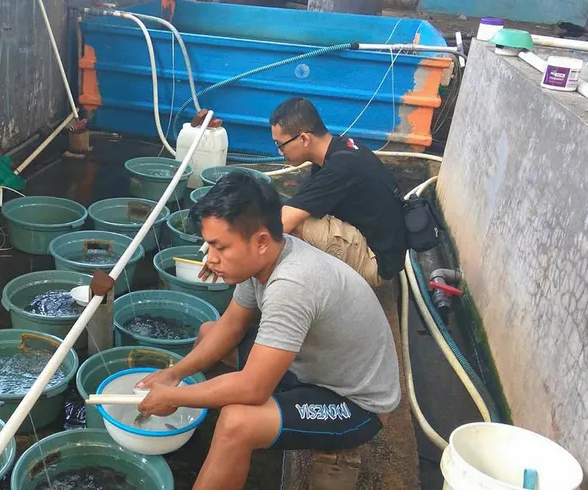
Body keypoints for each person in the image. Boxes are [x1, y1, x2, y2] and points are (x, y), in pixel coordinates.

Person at [133, 172, 400, 490]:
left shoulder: (292, 284)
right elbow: (230, 326)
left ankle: (227, 448)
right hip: (312, 370)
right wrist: (174, 374)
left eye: (220, 247)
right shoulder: (262, 260)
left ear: (260, 240)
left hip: (354, 403)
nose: (211, 259)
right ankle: (221, 453)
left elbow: (253, 389)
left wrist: (177, 397)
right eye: (209, 246)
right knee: (209, 331)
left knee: (236, 422)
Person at [271, 97, 406, 288]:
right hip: (381, 244)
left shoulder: (340, 167)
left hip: (376, 261)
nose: (280, 152)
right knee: (290, 210)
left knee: (291, 227)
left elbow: (284, 222)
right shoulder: (344, 146)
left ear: (304, 138)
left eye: (280, 145)